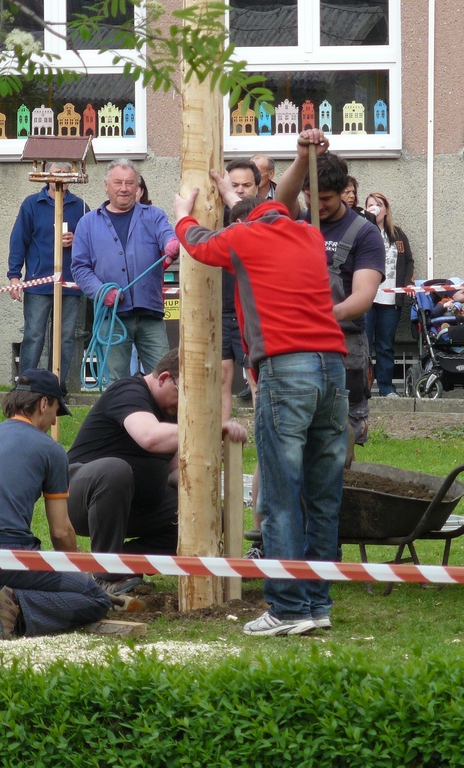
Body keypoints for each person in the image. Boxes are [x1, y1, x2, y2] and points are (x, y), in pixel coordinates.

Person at [175, 190, 348, 636]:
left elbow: (199, 243)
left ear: (243, 222)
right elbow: (263, 213)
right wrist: (239, 198)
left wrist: (181, 215)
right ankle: (317, 604)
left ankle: (288, 608)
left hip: (286, 369)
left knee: (279, 496)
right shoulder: (308, 235)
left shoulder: (244, 237)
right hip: (332, 369)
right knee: (323, 499)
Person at [0, 369, 112, 640]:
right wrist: (79, 570)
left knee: (3, 581)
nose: (54, 420)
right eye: (56, 411)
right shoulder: (50, 449)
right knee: (95, 598)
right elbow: (61, 531)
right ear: (43, 403)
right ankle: (16, 606)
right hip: (10, 559)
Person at [65, 348, 246, 596]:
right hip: (80, 497)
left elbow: (174, 471)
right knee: (114, 470)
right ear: (164, 378)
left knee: (207, 515)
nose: (186, 403)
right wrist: (208, 428)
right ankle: (106, 575)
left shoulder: (173, 412)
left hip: (136, 505)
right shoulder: (129, 391)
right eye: (183, 393)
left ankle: (124, 561)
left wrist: (205, 488)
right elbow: (149, 437)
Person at [275, 130, 385, 449]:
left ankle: (343, 478)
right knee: (298, 427)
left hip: (344, 342)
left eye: (326, 199)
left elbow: (363, 296)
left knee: (343, 431)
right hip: (299, 341)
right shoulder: (300, 222)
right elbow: (281, 200)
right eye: (311, 197)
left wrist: (325, 315)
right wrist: (301, 157)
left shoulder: (364, 233)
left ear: (344, 193)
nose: (317, 206)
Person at [70, 159, 181, 378]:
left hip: (150, 314)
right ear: (106, 186)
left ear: (137, 187)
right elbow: (80, 268)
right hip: (111, 317)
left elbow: (166, 234)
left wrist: (171, 242)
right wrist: (101, 292)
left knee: (165, 377)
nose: (124, 188)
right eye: (118, 182)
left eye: (130, 183)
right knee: (116, 381)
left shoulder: (154, 215)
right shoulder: (87, 223)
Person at [8, 162, 88, 393]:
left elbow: (93, 242)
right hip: (38, 283)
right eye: (56, 173)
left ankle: (56, 388)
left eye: (65, 173)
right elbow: (18, 241)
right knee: (34, 335)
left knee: (65, 338)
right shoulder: (32, 204)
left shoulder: (81, 207)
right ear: (46, 176)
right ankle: (24, 389)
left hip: (70, 284)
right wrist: (14, 277)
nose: (60, 177)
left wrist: (77, 239)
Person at [213, 159, 263, 418]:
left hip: (251, 309)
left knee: (255, 376)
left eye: (247, 185)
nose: (240, 190)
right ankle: (221, 434)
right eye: (234, 185)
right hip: (220, 308)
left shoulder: (265, 217)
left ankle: (263, 433)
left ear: (258, 186)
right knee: (221, 375)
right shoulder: (213, 216)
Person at [362, 192, 414, 398]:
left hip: (391, 300)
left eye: (379, 205)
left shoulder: (397, 234)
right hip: (366, 299)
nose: (375, 208)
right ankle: (362, 388)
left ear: (386, 210)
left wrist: (408, 283)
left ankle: (386, 388)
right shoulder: (362, 231)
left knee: (385, 345)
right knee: (364, 345)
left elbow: (408, 261)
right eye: (370, 205)